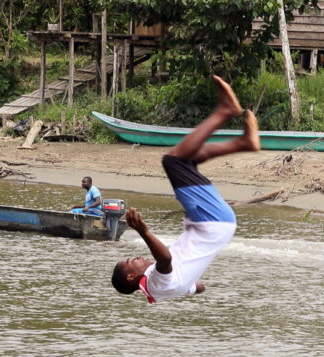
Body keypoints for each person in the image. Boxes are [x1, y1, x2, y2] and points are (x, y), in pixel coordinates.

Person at [111, 76, 259, 303]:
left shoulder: (161, 290)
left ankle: (243, 143)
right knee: (172, 161)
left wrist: (187, 278)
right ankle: (225, 112)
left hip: (218, 225)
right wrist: (143, 231)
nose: (138, 257)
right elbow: (166, 260)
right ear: (132, 276)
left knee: (187, 160)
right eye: (132, 261)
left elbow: (200, 287)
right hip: (210, 222)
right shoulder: (154, 282)